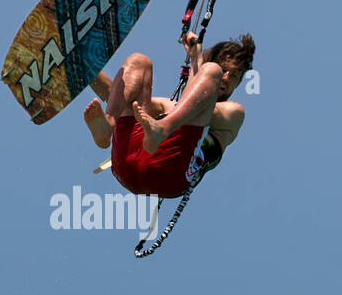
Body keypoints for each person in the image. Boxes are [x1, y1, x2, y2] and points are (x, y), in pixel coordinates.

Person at [82, 33, 254, 198]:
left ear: (238, 84)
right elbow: (119, 96)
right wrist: (84, 64)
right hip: (126, 164)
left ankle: (162, 129)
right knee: (139, 61)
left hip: (170, 175)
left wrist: (197, 61)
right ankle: (108, 125)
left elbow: (203, 108)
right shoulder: (170, 106)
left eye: (234, 76)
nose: (226, 77)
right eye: (225, 70)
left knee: (211, 72)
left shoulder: (233, 113)